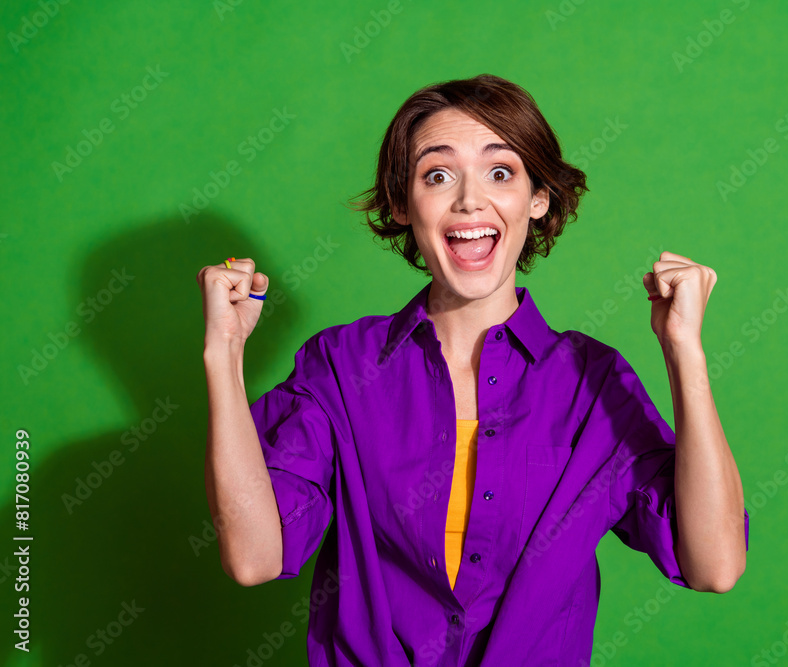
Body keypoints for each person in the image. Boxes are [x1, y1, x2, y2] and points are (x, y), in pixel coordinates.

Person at [196, 73, 749, 666]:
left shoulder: (593, 385)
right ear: (404, 205)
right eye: (437, 175)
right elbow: (254, 557)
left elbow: (714, 564)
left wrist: (683, 351)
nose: (468, 200)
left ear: (537, 199)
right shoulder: (341, 367)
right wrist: (222, 358)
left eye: (501, 172)